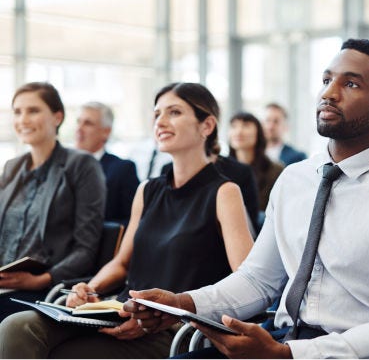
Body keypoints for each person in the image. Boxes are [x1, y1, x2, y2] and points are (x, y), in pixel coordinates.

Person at [125, 39, 369, 359]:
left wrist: (287, 355)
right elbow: (257, 281)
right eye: (327, 80)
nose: (328, 93)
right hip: (282, 339)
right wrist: (182, 304)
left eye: (351, 85)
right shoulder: (295, 178)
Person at [0, 82, 254, 358]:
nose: (161, 121)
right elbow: (121, 263)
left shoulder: (224, 193)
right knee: (17, 326)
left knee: (63, 354)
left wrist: (179, 309)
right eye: (157, 114)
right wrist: (91, 287)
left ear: (207, 126)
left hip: (172, 328)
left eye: (174, 112)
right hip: (121, 310)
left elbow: (247, 279)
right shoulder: (147, 190)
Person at [0, 82, 106, 322]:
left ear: (57, 117)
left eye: (33, 111)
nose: (23, 119)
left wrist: (42, 279)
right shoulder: (12, 168)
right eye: (17, 112)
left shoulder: (81, 165)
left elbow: (85, 248)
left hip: (43, 290)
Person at [75, 101, 140, 226]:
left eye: (88, 123)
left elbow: (134, 221)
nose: (79, 129)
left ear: (106, 132)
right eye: (78, 121)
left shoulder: (123, 169)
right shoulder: (61, 167)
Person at [228, 111, 283, 218]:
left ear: (259, 133)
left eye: (246, 125)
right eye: (234, 126)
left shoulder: (275, 170)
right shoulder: (220, 169)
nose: (238, 131)